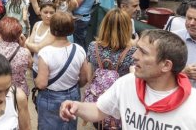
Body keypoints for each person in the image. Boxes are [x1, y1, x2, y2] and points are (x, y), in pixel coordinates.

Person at [60, 29, 196, 129]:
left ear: (166, 65)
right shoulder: (127, 83)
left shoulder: (192, 105)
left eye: (143, 52)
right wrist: (77, 107)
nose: (134, 56)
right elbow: (99, 110)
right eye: (137, 49)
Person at [35, 11, 88, 129]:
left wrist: (36, 81)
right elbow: (84, 78)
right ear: (71, 28)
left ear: (52, 28)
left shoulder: (45, 52)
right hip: (72, 94)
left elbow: (42, 83)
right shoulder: (79, 50)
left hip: (50, 97)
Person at [86, 9, 137, 129]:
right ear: (127, 28)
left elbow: (89, 77)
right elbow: (134, 82)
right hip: (120, 108)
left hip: (98, 105)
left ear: (104, 25)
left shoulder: (93, 47)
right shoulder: (132, 52)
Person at [0, 17, 32, 96]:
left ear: (1, 32)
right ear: (19, 34)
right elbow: (30, 65)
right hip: (19, 92)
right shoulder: (25, 52)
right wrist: (23, 45)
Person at [25, 0, 56, 76]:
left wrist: (26, 42)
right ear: (40, 12)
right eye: (45, 12)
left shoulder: (54, 28)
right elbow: (30, 46)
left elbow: (38, 49)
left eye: (51, 13)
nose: (48, 16)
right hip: (35, 66)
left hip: (48, 69)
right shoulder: (37, 24)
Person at [174, 1, 196, 88]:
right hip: (179, 96)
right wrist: (183, 72)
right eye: (189, 18)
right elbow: (158, 70)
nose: (191, 23)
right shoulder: (173, 38)